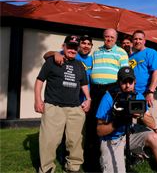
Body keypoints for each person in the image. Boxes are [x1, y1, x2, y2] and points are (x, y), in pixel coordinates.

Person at [96, 66, 157, 173]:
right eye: (124, 82)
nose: (127, 85)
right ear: (118, 82)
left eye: (130, 81)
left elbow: (153, 124)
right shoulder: (109, 97)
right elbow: (99, 131)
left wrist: (141, 115)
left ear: (135, 82)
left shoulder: (138, 97)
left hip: (129, 133)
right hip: (111, 138)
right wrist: (118, 121)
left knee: (154, 137)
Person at [34, 35, 91, 173]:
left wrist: (88, 99)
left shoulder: (79, 65)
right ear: (63, 46)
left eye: (75, 48)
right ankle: (46, 168)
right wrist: (38, 100)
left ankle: (73, 167)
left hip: (75, 108)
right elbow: (39, 81)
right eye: (69, 47)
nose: (72, 50)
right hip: (54, 107)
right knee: (50, 141)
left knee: (75, 141)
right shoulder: (52, 61)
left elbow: (84, 84)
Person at [85, 28, 129, 172]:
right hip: (96, 90)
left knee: (109, 123)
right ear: (103, 38)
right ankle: (91, 161)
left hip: (112, 90)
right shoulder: (96, 52)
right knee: (93, 124)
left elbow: (124, 76)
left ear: (116, 39)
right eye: (106, 37)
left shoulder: (121, 53)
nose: (109, 39)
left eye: (112, 37)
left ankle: (111, 156)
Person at [129, 30, 157, 145]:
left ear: (144, 41)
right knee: (137, 126)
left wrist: (150, 91)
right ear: (132, 41)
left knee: (155, 125)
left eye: (140, 39)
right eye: (135, 39)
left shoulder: (151, 52)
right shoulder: (131, 57)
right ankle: (140, 153)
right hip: (135, 96)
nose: (137, 41)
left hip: (149, 94)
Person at [43, 35, 93, 102]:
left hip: (84, 99)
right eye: (83, 43)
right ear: (78, 46)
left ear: (91, 46)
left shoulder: (92, 59)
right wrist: (56, 53)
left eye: (89, 44)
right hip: (69, 99)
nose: (86, 46)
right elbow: (46, 55)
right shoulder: (72, 54)